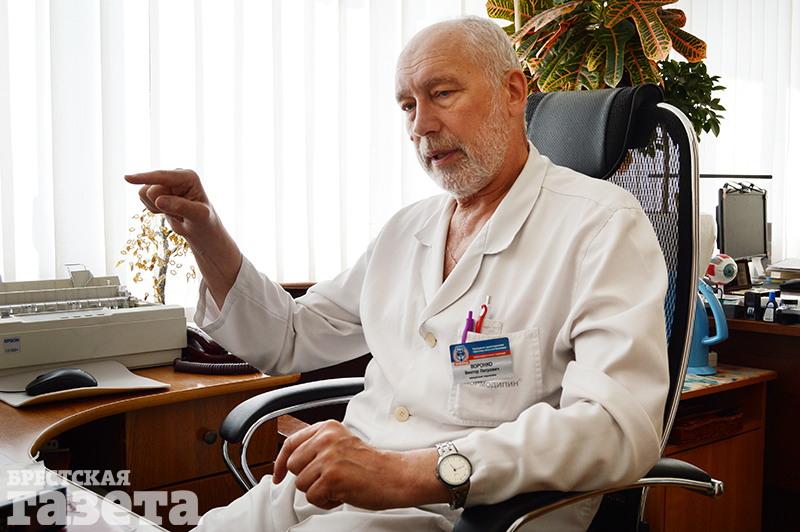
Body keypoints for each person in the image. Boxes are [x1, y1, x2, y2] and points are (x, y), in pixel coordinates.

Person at [126, 16, 669, 532]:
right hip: (332, 488)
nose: (421, 125)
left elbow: (615, 428)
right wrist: (205, 234)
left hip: (463, 512)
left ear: (512, 91)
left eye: (442, 94)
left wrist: (402, 472)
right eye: (408, 105)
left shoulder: (601, 226)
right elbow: (289, 337)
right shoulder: (407, 230)